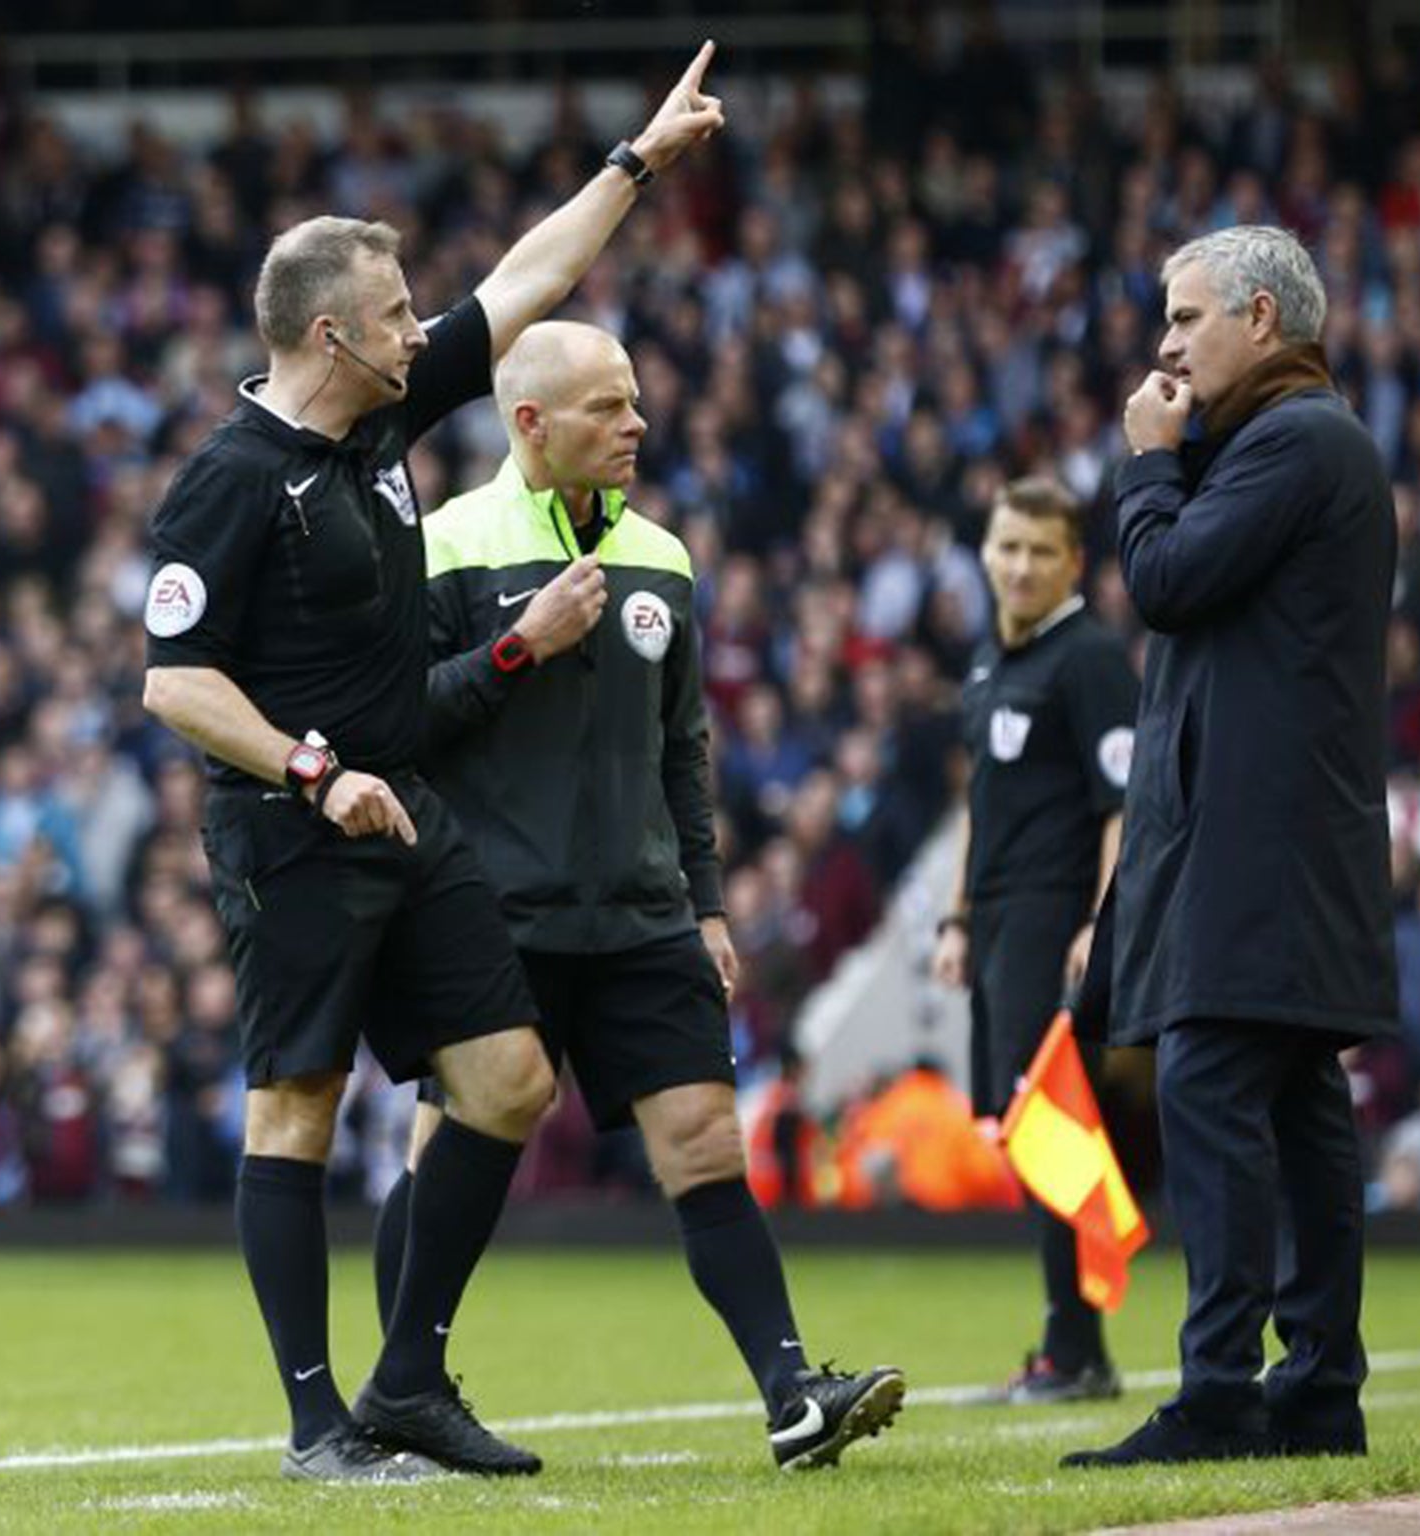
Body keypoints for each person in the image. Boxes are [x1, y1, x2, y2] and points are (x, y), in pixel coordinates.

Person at [140, 47, 726, 1485]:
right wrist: (310, 772)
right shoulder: (227, 479)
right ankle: (313, 1423)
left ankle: (407, 1384)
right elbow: (174, 682)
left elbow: (522, 283)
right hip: (299, 832)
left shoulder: (383, 419)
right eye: (399, 315)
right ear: (331, 335)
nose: (426, 331)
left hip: (416, 819)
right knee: (298, 1109)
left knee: (512, 1079)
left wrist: (635, 162)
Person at [382, 320, 904, 1471]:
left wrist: (707, 903)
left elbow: (683, 750)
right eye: (607, 408)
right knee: (449, 1148)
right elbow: (400, 725)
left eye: (633, 403)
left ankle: (791, 1397)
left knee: (706, 1145)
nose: (636, 425)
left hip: (642, 915)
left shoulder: (661, 557)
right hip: (488, 916)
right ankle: (401, 1386)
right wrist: (518, 647)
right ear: (530, 424)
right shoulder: (446, 547)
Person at [1063, 225, 1396, 1468]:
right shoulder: (1303, 441)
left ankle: (1218, 1391)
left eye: (1186, 315)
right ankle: (1316, 1392)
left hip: (1256, 834)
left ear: (1261, 318)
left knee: (1208, 1081)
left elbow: (1167, 580)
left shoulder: (1295, 439)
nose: (1163, 341)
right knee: (1297, 1095)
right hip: (1287, 826)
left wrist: (1146, 468)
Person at [932, 475, 1137, 1405]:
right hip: (998, 922)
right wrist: (956, 917)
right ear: (985, 551)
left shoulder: (1089, 660)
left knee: (1045, 1121)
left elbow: (1120, 806)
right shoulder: (988, 662)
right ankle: (1069, 1344)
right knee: (1023, 1128)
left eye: (1040, 552)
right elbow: (978, 804)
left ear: (1073, 564)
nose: (1019, 566)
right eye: (1007, 547)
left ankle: (1076, 1349)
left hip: (1056, 919)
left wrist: (1101, 920)